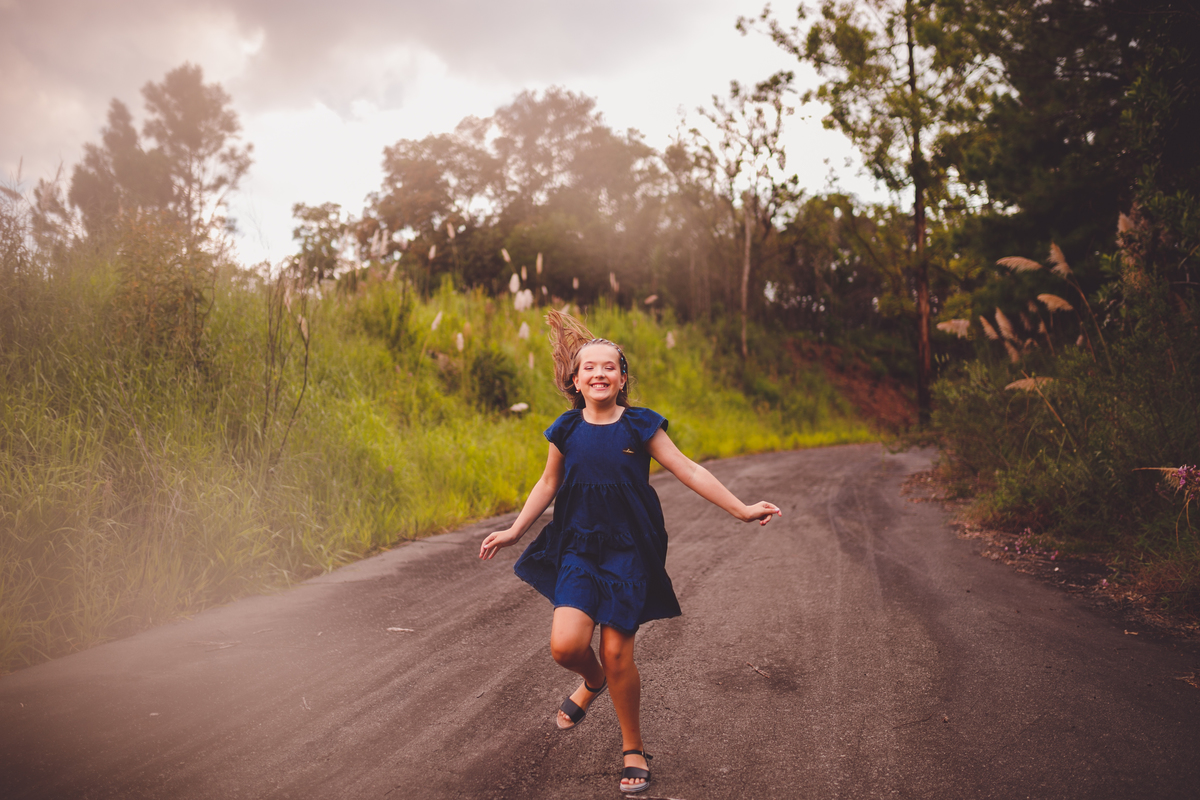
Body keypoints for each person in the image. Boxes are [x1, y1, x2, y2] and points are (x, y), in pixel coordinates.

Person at [479, 310, 780, 794]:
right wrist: (515, 530)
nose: (600, 373)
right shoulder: (565, 429)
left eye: (610, 367)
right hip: (578, 545)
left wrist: (741, 509)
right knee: (566, 647)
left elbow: (689, 469)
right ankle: (592, 681)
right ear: (576, 380)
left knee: (618, 652)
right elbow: (548, 482)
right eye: (590, 367)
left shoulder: (640, 426)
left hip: (629, 550)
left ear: (622, 379)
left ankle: (633, 748)